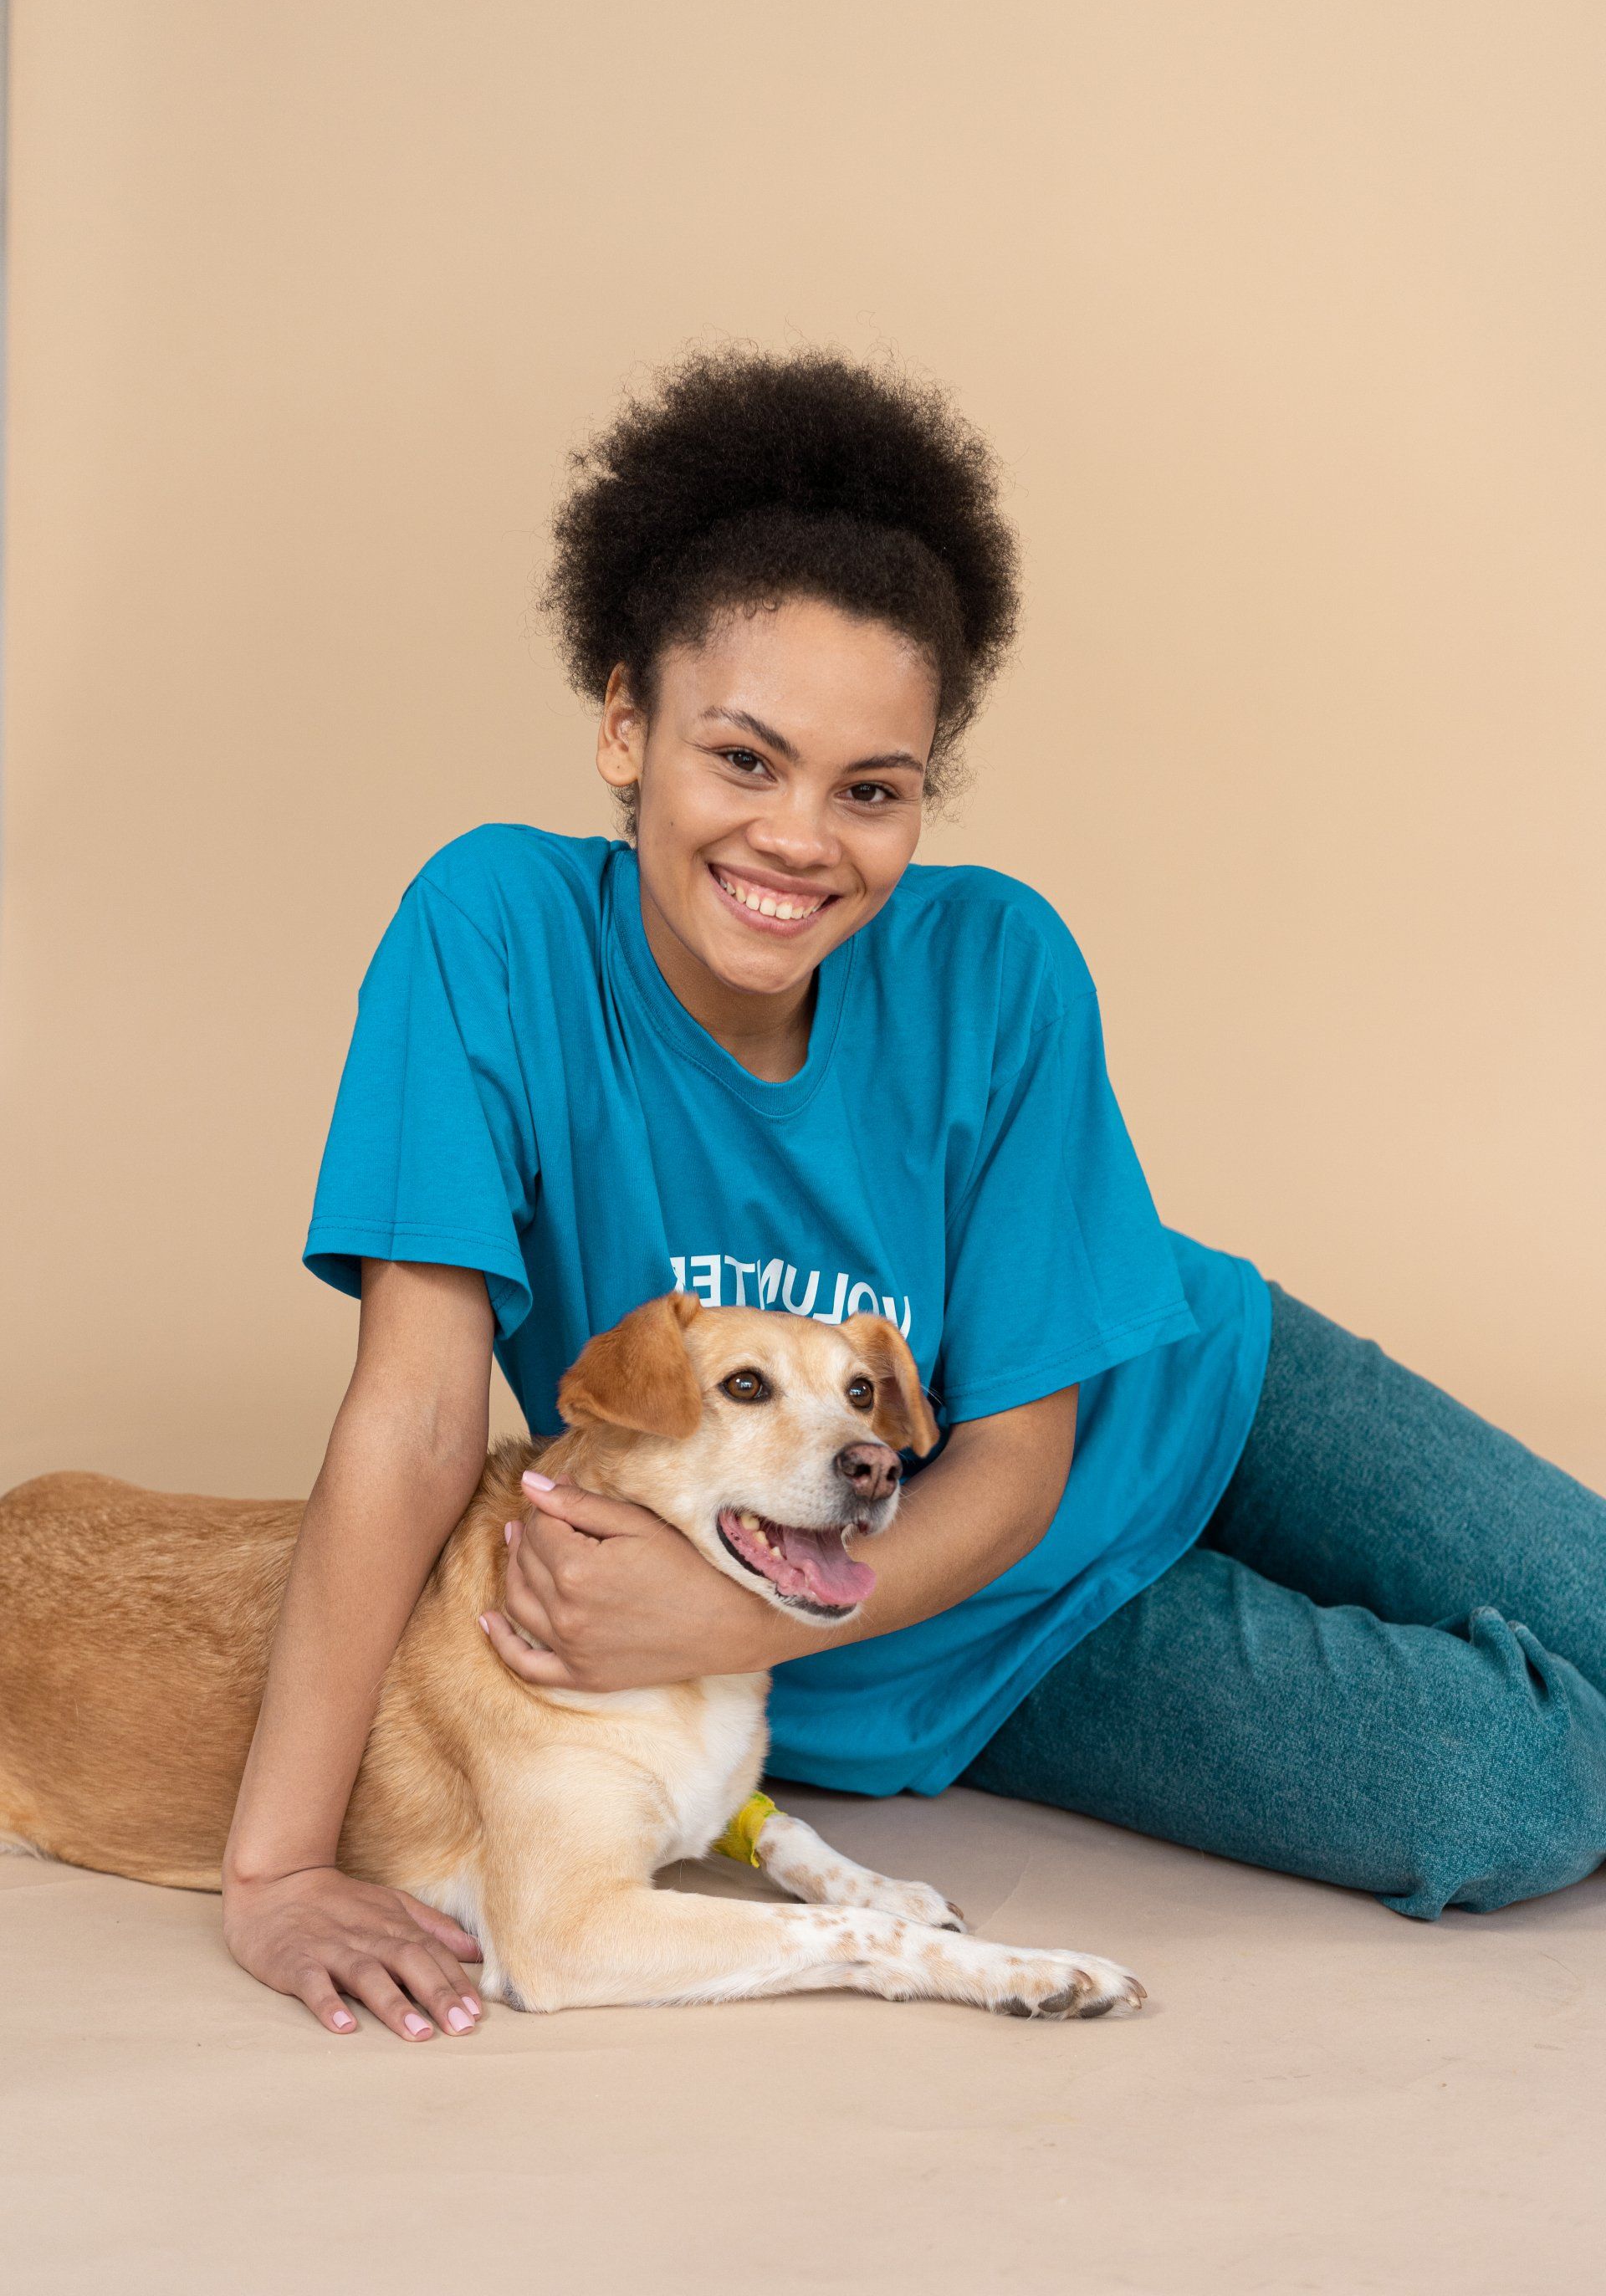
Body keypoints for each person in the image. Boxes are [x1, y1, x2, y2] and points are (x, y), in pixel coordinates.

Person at [222, 350, 1606, 2039]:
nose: (802, 838)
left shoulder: (1001, 960)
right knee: (1502, 1798)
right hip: (938, 1623)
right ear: (621, 726)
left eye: (872, 790)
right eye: (745, 760)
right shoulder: (490, 937)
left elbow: (1020, 1452)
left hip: (1193, 1388)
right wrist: (278, 1870)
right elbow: (420, 1421)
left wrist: (709, 1600)